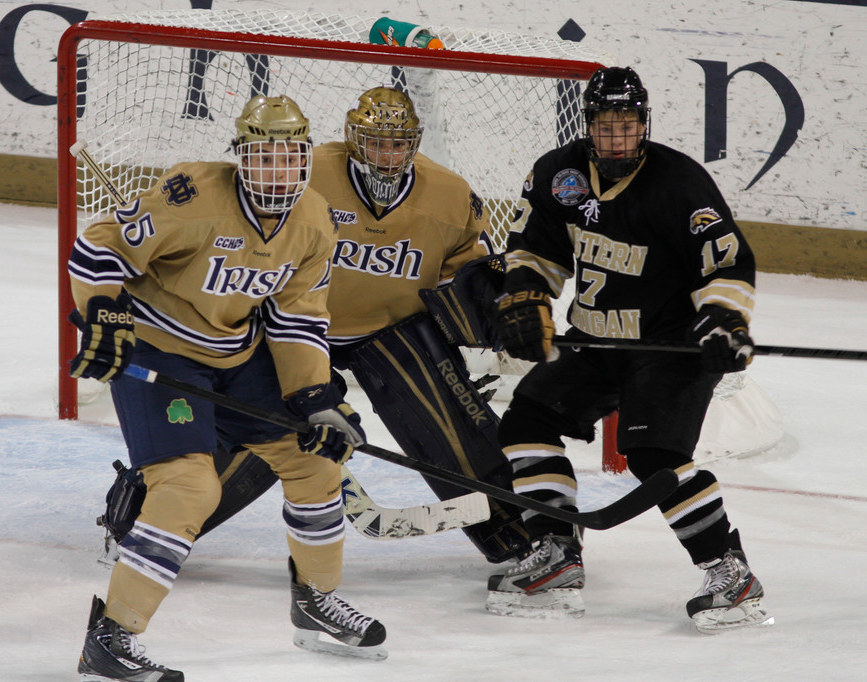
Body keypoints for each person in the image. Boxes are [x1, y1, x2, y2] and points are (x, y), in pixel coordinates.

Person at [99, 85, 542, 610]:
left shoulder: (448, 194)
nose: (388, 154)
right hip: (299, 330)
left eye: (399, 144)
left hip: (391, 329)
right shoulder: (306, 173)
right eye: (376, 142)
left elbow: (468, 268)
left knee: (446, 413)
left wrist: (497, 308)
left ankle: (523, 533)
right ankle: (150, 514)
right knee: (280, 433)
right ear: (353, 140)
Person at [69, 94, 386, 681]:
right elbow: (99, 246)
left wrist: (316, 399)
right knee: (189, 489)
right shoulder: (193, 194)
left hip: (236, 354)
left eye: (289, 158)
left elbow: (297, 319)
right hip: (159, 350)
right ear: (240, 158)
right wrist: (104, 312)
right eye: (263, 158)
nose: (277, 172)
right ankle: (110, 640)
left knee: (316, 463)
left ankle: (315, 602)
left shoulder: (314, 219)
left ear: (306, 162)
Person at [489, 65, 773, 632]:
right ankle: (556, 552)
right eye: (605, 124)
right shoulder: (558, 174)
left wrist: (721, 320)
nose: (616, 137)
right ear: (588, 125)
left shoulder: (678, 182)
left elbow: (725, 261)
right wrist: (526, 298)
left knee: (656, 458)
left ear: (643, 124)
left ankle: (729, 571)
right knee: (525, 420)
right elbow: (533, 251)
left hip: (668, 348)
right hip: (595, 340)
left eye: (627, 124)